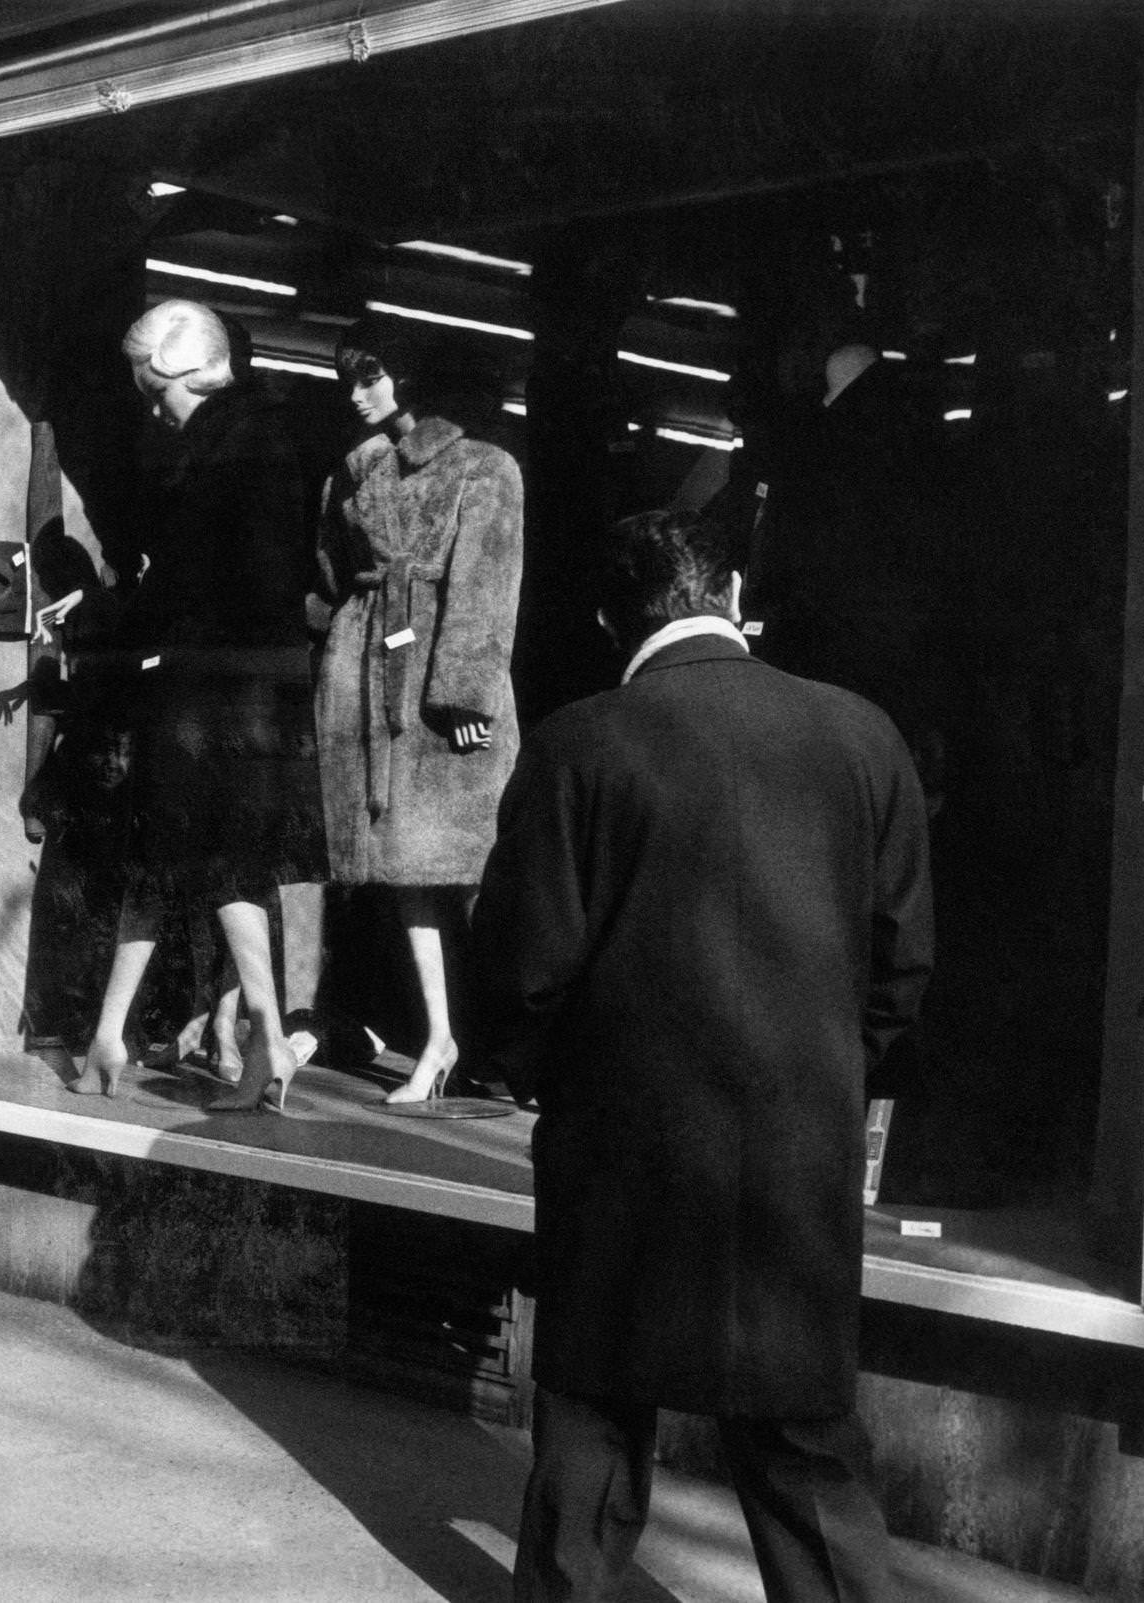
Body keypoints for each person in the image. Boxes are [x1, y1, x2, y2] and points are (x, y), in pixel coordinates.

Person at [466, 509, 933, 1603]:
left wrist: (553, 1080)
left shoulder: (578, 744)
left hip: (617, 1144)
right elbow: (902, 961)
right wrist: (832, 1074)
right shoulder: (861, 736)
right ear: (730, 594)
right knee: (801, 1441)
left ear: (607, 620)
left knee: (591, 1421)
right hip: (795, 1148)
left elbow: (517, 971)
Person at [78, 299, 326, 1109]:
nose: (155, 410)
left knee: (195, 856)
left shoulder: (227, 451)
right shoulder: (258, 438)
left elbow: (210, 578)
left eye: (157, 392)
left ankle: (256, 1031)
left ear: (189, 371)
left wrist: (135, 618)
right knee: (202, 858)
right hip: (246, 684)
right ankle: (127, 1034)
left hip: (212, 686)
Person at [314, 317, 522, 1103]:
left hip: (444, 682)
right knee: (404, 869)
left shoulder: (484, 464)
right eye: (349, 379)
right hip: (367, 680)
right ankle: (438, 1037)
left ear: (411, 374)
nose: (357, 393)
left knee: (475, 871)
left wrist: (465, 692)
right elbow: (331, 573)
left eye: (371, 374)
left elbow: (488, 579)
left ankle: (517, 1041)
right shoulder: (355, 472)